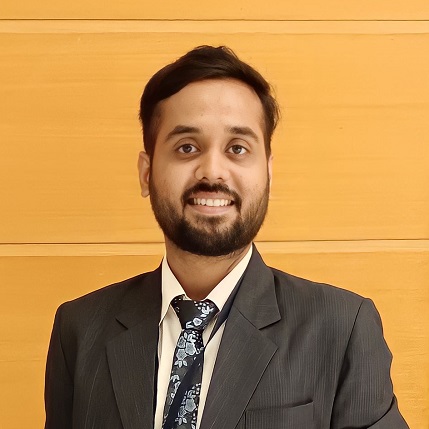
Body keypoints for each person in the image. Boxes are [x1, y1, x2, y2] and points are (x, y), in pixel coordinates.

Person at [45, 45, 409, 429]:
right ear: (146, 173)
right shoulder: (80, 330)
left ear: (268, 173)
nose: (212, 171)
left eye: (237, 148)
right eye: (187, 147)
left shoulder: (342, 329)